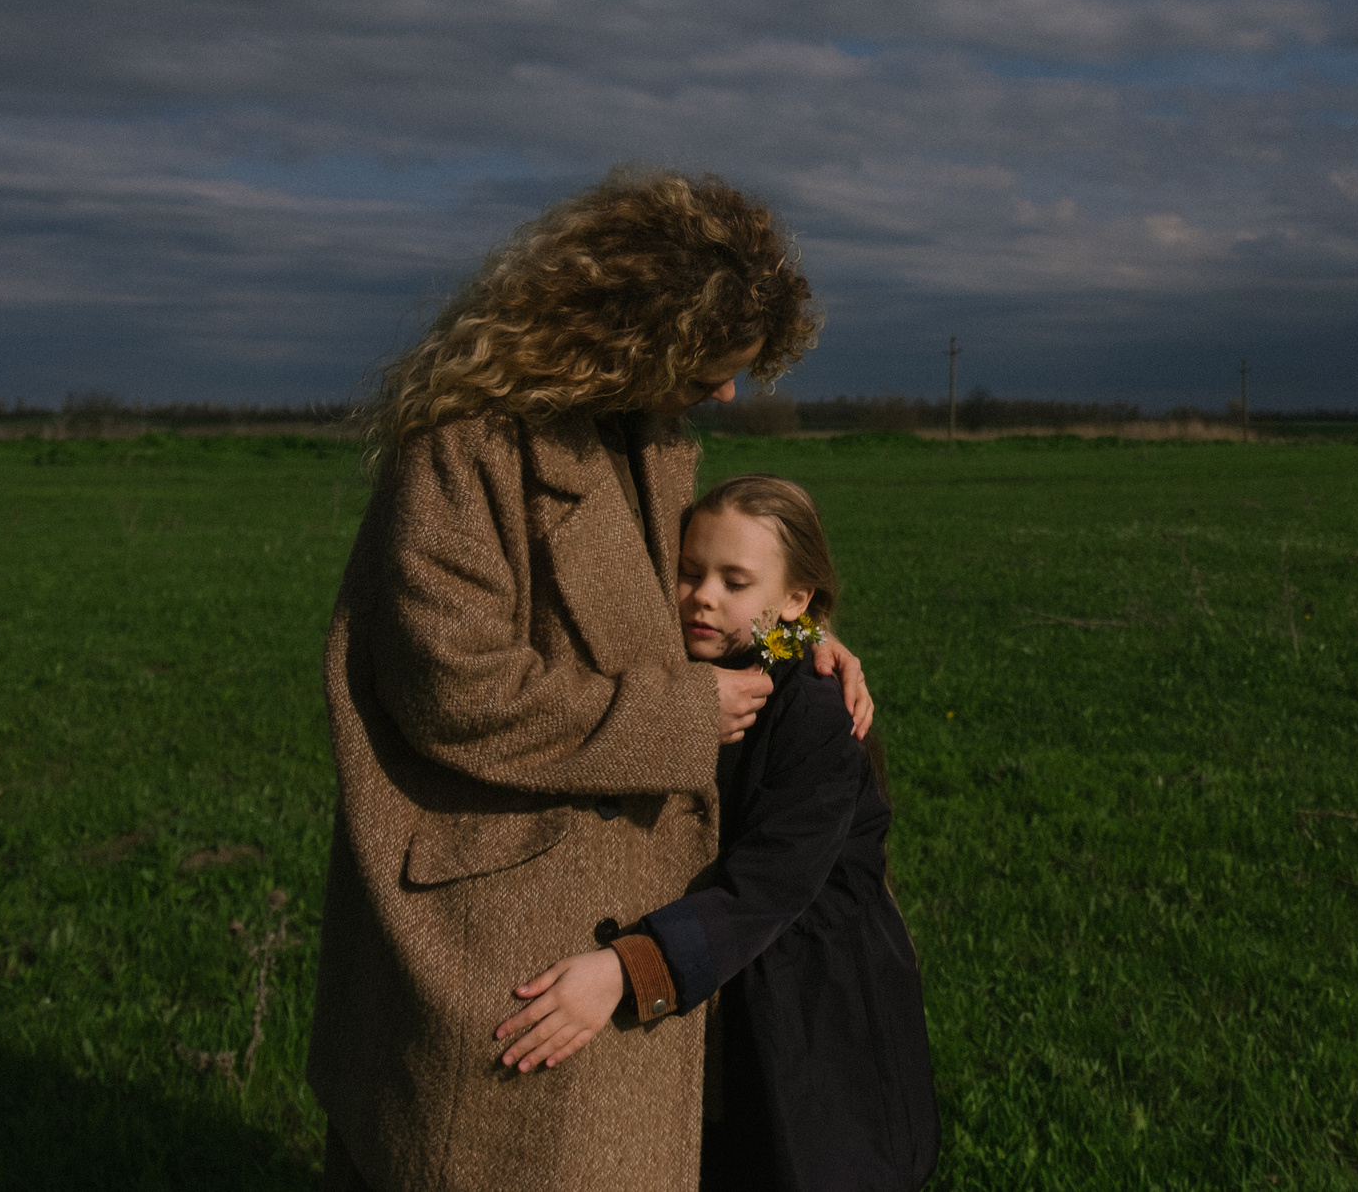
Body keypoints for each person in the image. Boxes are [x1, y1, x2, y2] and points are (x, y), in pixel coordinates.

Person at [309, 171, 873, 1192]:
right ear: (638, 334)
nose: (727, 395)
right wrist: (681, 719)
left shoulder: (651, 438)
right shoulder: (462, 448)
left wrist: (800, 646)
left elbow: (693, 612)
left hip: (628, 908)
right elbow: (454, 688)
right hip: (499, 909)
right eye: (716, 365)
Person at [491, 474, 938, 1192]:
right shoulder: (681, 671)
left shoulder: (815, 712)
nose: (703, 595)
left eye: (735, 580)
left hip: (815, 1014)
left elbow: (769, 886)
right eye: (689, 571)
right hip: (727, 1002)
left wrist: (624, 971)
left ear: (797, 598)